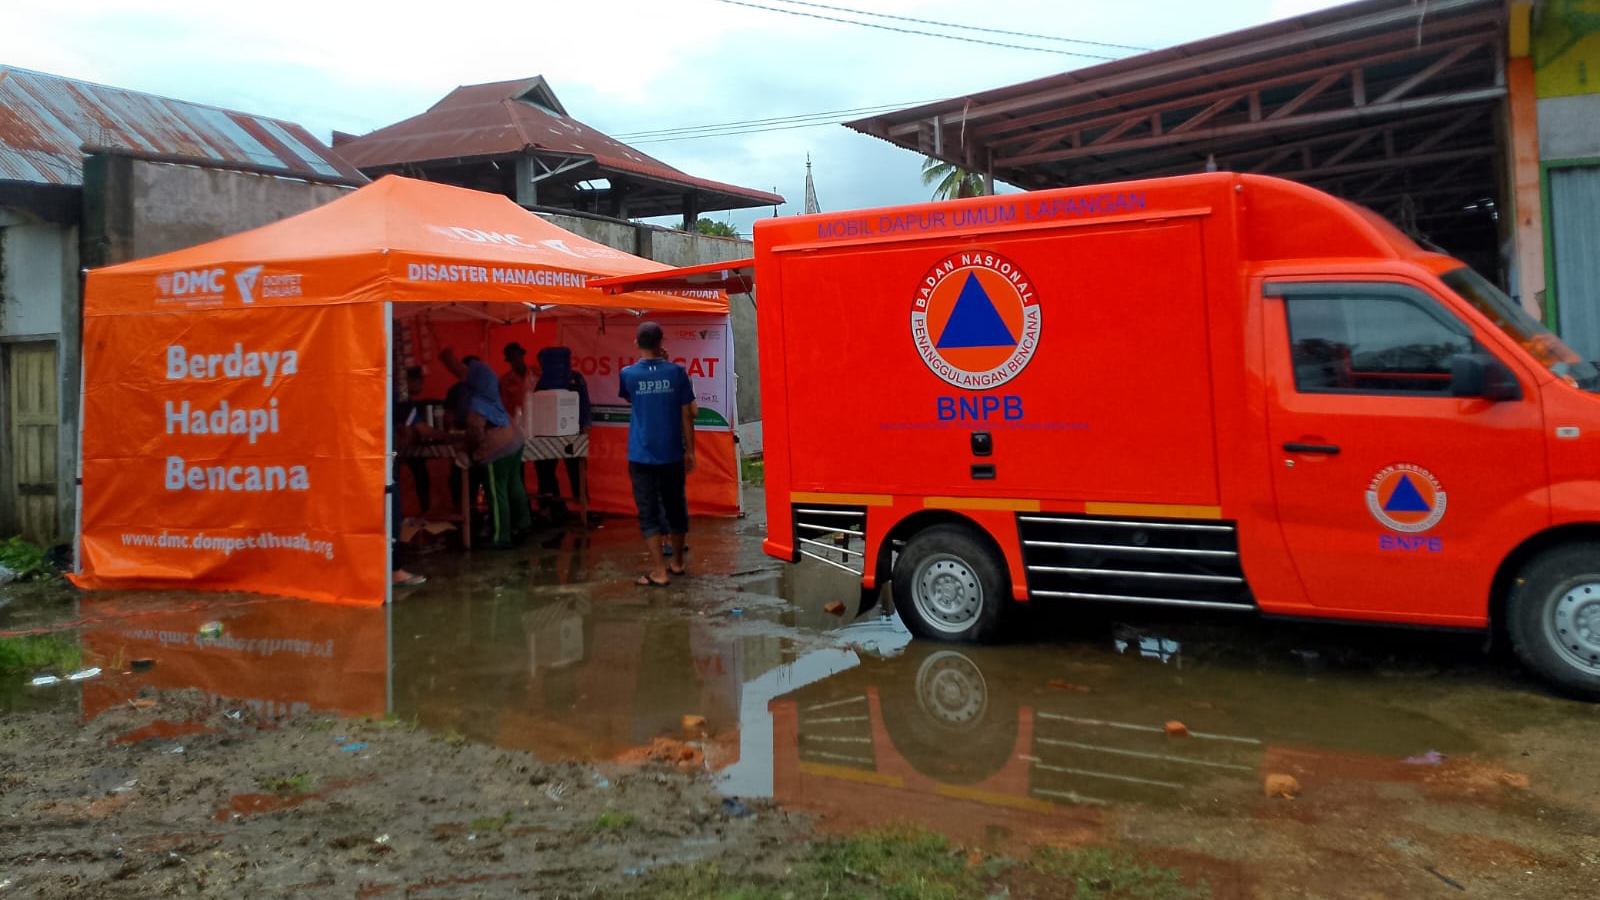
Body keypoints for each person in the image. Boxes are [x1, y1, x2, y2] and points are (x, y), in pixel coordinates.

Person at [618, 321, 696, 586]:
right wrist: (691, 451)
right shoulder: (677, 373)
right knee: (676, 506)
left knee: (648, 511)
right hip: (673, 451)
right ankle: (677, 562)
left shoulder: (627, 374)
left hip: (641, 454)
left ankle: (659, 571)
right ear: (662, 342)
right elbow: (688, 415)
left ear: (636, 343)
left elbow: (632, 399)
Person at [439, 345, 530, 549]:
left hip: (497, 448)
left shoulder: (478, 402)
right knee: (515, 486)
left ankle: (501, 537)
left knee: (496, 494)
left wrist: (470, 451)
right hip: (515, 440)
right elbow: (456, 368)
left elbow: (475, 433)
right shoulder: (490, 390)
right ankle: (523, 525)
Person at [532, 345, 592, 521]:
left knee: (577, 471)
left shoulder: (575, 379)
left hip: (574, 432)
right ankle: (552, 506)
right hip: (547, 433)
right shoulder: (540, 382)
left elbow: (585, 404)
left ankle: (583, 506)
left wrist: (586, 429)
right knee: (545, 470)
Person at [391, 383, 428, 587]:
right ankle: (394, 570)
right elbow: (424, 431)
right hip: (384, 462)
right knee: (392, 514)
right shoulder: (402, 407)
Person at [398, 366, 433, 516]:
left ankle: (424, 511)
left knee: (419, 469)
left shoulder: (405, 401)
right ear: (411, 381)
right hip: (395, 452)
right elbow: (423, 430)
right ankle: (424, 511)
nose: (421, 385)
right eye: (420, 381)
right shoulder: (403, 402)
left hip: (400, 451)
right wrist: (450, 436)